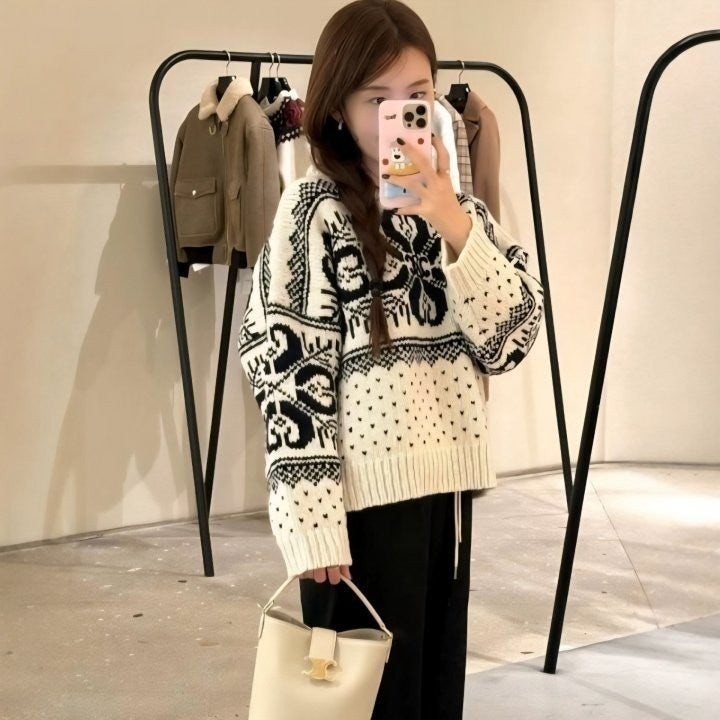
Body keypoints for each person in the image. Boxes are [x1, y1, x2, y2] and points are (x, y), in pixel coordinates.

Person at [238, 1, 545, 717]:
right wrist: (309, 521)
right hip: (357, 513)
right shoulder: (311, 212)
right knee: (360, 702)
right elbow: (285, 372)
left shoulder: (457, 211)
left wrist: (454, 224)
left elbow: (513, 339)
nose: (398, 118)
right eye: (377, 99)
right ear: (338, 108)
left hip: (447, 500)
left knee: (432, 694)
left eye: (417, 96)